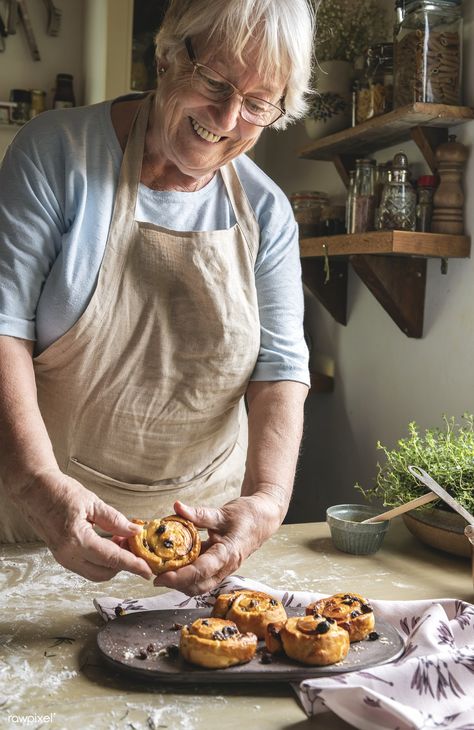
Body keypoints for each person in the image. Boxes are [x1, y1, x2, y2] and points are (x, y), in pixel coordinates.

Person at [0, 0, 314, 595]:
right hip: (43, 524)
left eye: (257, 103)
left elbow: (280, 368)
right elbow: (3, 325)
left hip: (199, 543)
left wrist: (267, 504)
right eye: (216, 82)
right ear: (168, 54)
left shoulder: (267, 211)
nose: (227, 116)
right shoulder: (56, 153)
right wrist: (35, 483)